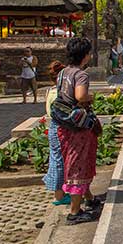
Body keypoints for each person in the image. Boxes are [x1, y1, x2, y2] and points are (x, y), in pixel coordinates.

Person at [54, 38, 102, 225]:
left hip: (64, 124)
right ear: (85, 55)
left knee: (74, 160)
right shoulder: (81, 75)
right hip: (78, 126)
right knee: (79, 164)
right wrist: (91, 96)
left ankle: (88, 197)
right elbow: (80, 96)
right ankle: (75, 210)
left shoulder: (63, 72)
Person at [44, 61, 70, 206]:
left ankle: (60, 192)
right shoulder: (59, 94)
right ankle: (59, 195)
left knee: (57, 159)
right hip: (60, 127)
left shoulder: (50, 91)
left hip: (53, 126)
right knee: (59, 161)